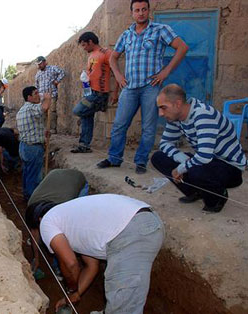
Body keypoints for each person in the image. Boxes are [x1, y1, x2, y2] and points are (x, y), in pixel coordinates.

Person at [26, 194, 164, 313]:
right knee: (126, 298)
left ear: (38, 220)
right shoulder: (72, 219)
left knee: (123, 303)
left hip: (130, 231)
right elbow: (91, 266)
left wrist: (72, 291)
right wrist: (76, 293)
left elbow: (70, 263)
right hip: (143, 221)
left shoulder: (46, 221)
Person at [97, 0, 188, 174]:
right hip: (129, 87)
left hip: (150, 87)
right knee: (119, 125)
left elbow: (182, 48)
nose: (140, 13)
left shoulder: (160, 30)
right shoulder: (126, 35)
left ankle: (140, 162)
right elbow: (112, 58)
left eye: (144, 9)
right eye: (137, 10)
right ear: (132, 12)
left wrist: (166, 72)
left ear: (148, 11)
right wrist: (118, 75)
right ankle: (114, 158)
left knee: (148, 128)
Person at [151, 84, 247, 213]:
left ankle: (218, 196)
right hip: (208, 161)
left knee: (195, 169)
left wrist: (181, 168)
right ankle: (196, 191)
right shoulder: (176, 118)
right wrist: (182, 159)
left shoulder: (203, 115)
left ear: (178, 104)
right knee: (158, 158)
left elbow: (204, 157)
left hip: (230, 167)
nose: (161, 113)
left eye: (163, 108)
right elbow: (165, 143)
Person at [25, 169, 88, 279]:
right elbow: (34, 232)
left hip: (78, 180)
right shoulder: (32, 206)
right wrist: (36, 258)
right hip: (55, 175)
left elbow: (61, 239)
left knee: (63, 237)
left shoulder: (64, 211)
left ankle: (59, 267)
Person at [71, 32, 118, 153]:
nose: (84, 48)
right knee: (87, 116)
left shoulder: (106, 53)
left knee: (78, 110)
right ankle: (84, 145)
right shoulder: (91, 54)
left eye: (84, 45)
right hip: (89, 91)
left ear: (90, 42)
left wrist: (115, 93)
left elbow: (116, 72)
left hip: (99, 93)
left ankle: (100, 105)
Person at [16, 86, 51, 200]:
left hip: (24, 146)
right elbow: (44, 107)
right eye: (36, 93)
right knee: (35, 176)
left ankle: (27, 195)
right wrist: (48, 98)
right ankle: (33, 199)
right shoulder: (31, 108)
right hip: (33, 148)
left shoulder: (22, 110)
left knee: (27, 172)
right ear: (29, 97)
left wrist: (43, 133)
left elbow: (32, 126)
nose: (38, 95)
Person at [34, 56, 65, 134]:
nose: (39, 66)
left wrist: (57, 81)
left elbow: (62, 73)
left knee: (52, 111)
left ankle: (52, 129)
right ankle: (46, 128)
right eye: (38, 64)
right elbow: (37, 85)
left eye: (40, 64)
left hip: (52, 94)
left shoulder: (52, 68)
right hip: (42, 96)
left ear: (45, 62)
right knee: (43, 112)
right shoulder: (38, 74)